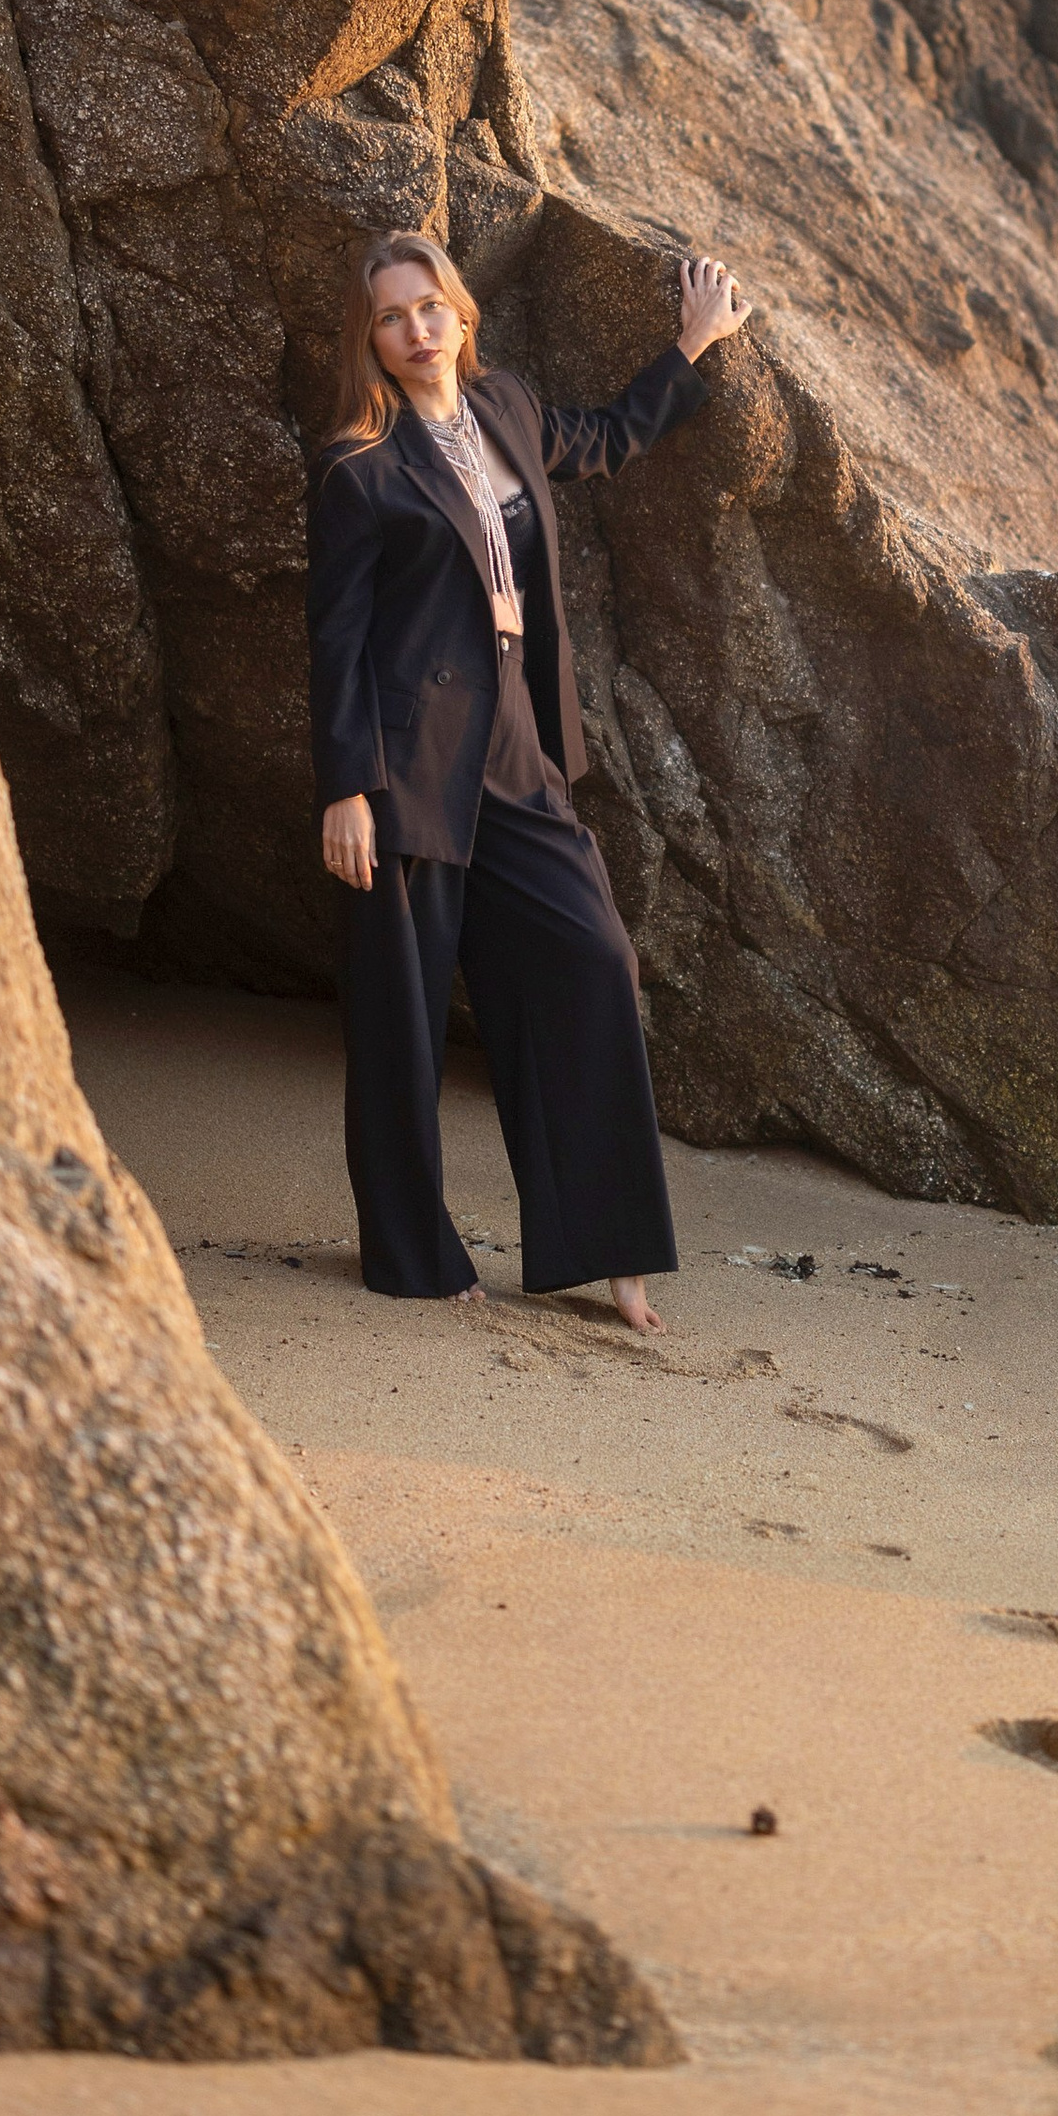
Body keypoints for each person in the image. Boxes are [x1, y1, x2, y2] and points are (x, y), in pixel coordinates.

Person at [306, 231, 748, 1329]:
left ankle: (612, 1252)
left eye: (430, 308)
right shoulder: (359, 468)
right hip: (404, 767)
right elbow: (336, 640)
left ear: (461, 314)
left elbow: (597, 442)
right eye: (392, 317)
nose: (416, 330)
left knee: (592, 958)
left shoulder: (505, 408)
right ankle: (411, 1253)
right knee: (401, 1018)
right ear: (370, 340)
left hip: (514, 742)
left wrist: (687, 350)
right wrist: (344, 786)